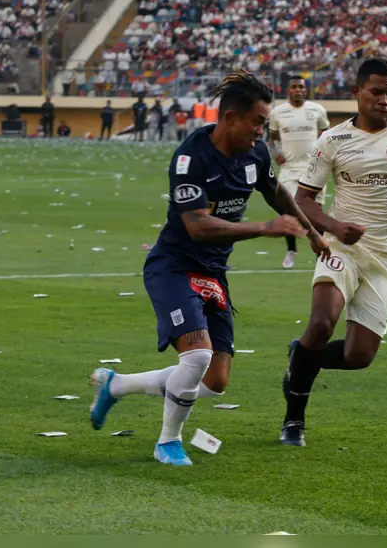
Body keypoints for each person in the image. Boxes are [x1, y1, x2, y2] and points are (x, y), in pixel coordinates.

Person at [87, 71, 329, 466]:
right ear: (231, 118)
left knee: (214, 382)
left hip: (213, 272)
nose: (261, 130)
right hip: (175, 266)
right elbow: (197, 226)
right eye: (257, 122)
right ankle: (168, 442)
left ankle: (115, 386)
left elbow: (275, 191)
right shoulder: (190, 157)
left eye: (264, 123)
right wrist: (266, 228)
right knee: (197, 358)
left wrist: (313, 231)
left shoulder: (255, 154)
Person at [278, 57, 387, 447]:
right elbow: (304, 201)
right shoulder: (333, 140)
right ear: (357, 93)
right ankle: (293, 421)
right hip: (341, 248)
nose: (385, 100)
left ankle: (300, 359)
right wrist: (334, 227)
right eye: (377, 92)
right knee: (320, 325)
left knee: (359, 356)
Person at [268, 76, 330, 269]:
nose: (298, 90)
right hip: (289, 168)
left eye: (301, 87)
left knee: (315, 211)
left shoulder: (317, 110)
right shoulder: (278, 112)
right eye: (294, 87)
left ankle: (321, 249)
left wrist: (324, 154)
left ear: (306, 90)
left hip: (314, 167)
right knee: (287, 209)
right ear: (288, 91)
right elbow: (272, 137)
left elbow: (327, 134)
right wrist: (275, 152)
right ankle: (291, 250)